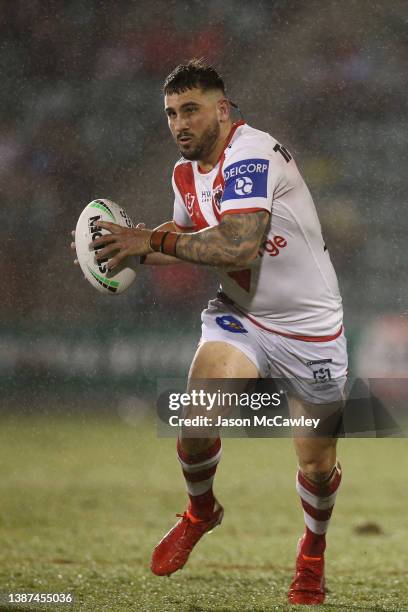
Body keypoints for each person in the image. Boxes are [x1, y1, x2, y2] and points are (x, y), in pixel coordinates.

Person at [74, 59, 347, 605]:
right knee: (196, 415)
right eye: (172, 113)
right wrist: (123, 249)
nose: (180, 123)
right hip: (241, 315)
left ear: (222, 110)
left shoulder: (252, 153)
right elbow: (186, 237)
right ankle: (201, 512)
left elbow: (238, 245)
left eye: (191, 109)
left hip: (311, 330)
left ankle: (312, 554)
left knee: (316, 466)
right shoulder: (182, 174)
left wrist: (146, 240)